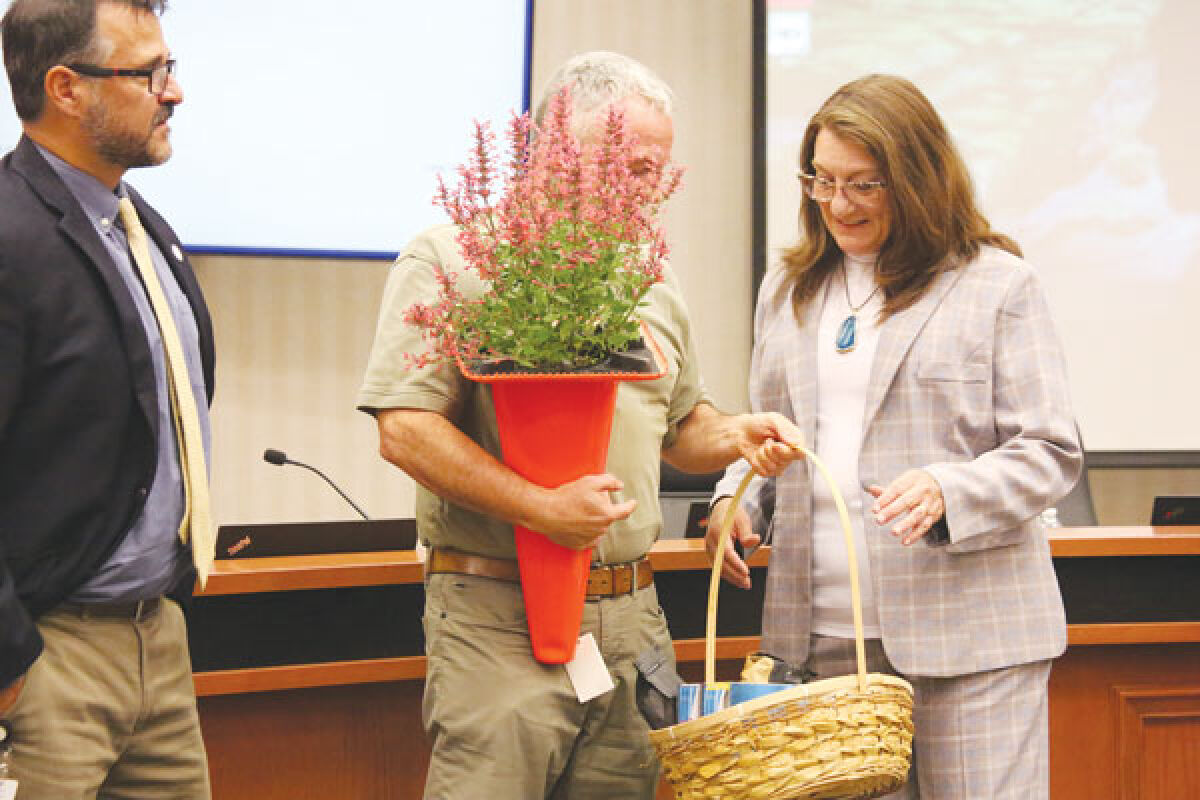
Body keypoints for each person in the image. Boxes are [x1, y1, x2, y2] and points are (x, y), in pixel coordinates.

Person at [357, 51, 803, 800]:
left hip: (633, 621)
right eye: (631, 167)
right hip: (500, 615)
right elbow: (405, 427)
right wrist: (538, 508)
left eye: (657, 171)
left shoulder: (648, 275)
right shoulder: (453, 261)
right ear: (556, 150)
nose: (649, 191)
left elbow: (680, 426)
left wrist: (736, 435)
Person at [708, 74, 1081, 800]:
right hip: (819, 646)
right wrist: (735, 502)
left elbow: (1051, 450)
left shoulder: (997, 285)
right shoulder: (787, 291)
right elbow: (767, 436)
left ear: (914, 179)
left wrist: (951, 487)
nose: (839, 204)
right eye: (822, 181)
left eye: (864, 185)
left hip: (972, 647)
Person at [0, 0, 215, 796]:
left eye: (171, 68)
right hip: (51, 654)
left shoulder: (139, 225)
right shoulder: (10, 237)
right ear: (66, 87)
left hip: (156, 637)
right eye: (148, 72)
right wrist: (9, 667)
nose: (173, 92)